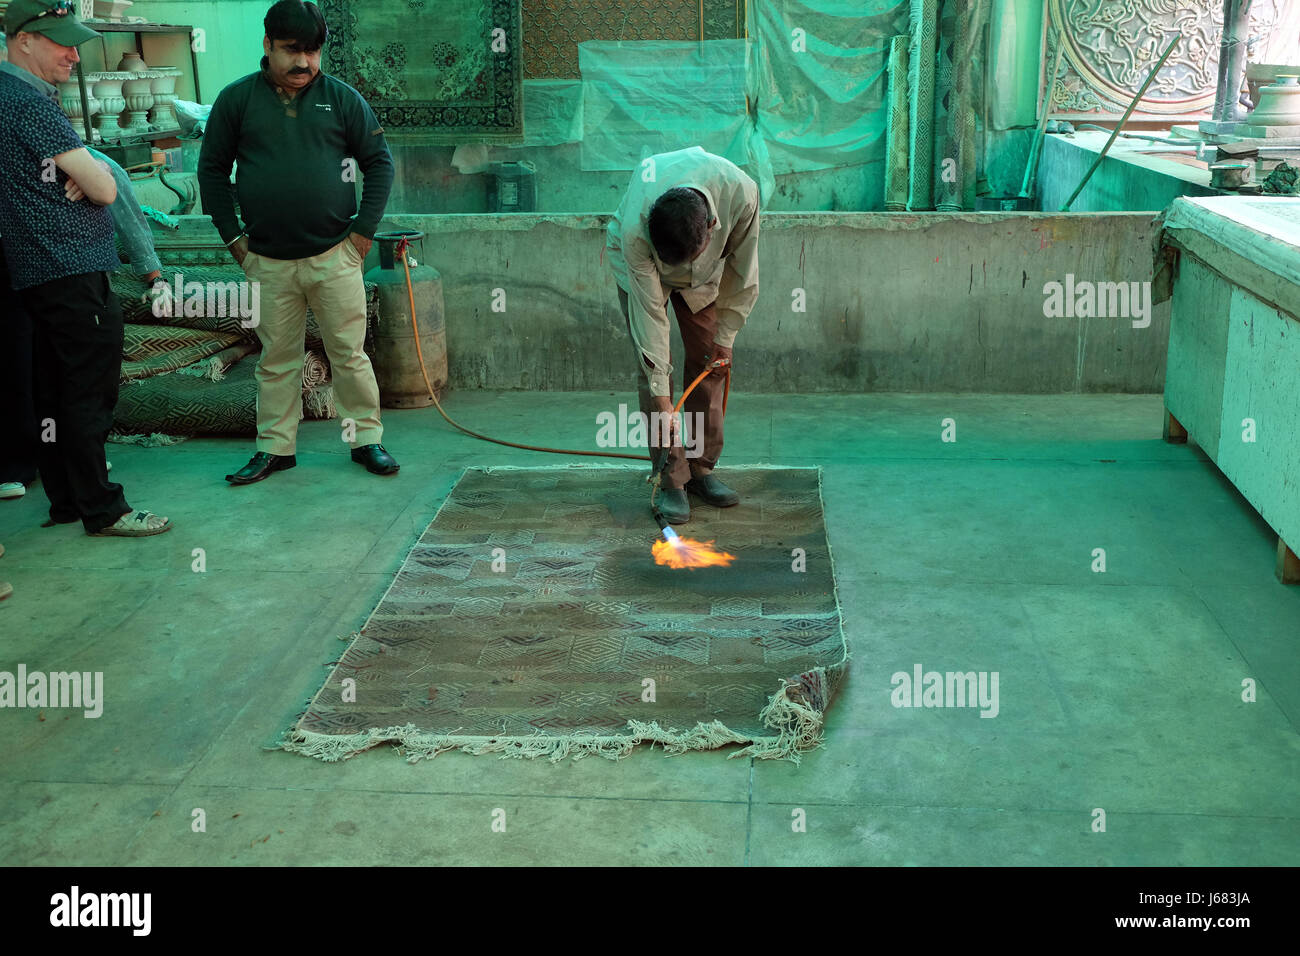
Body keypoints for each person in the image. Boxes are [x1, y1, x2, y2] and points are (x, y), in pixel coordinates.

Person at [198, 0, 398, 485]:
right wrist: (236, 242)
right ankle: (275, 449)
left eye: (313, 52)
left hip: (335, 255)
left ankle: (365, 440)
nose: (305, 63)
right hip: (266, 259)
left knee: (349, 354)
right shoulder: (236, 100)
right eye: (292, 51)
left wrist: (361, 235)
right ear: (267, 45)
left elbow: (380, 163)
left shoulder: (343, 98)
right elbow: (212, 171)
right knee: (277, 359)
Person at [0, 0, 171, 537]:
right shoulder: (27, 104)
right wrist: (95, 171)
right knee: (88, 393)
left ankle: (68, 500)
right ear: (23, 39)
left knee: (52, 389)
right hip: (70, 268)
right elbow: (104, 186)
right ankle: (104, 508)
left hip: (36, 270)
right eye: (59, 42)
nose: (73, 54)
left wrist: (87, 168)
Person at [605, 146, 760, 524]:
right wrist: (661, 394)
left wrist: (727, 338)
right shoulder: (635, 232)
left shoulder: (741, 194)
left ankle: (701, 468)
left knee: (711, 362)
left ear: (710, 228)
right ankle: (672, 477)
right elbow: (650, 322)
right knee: (654, 373)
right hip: (643, 275)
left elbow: (743, 272)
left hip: (706, 279)